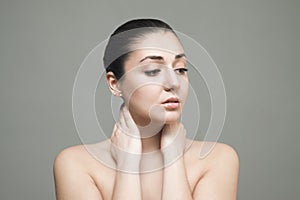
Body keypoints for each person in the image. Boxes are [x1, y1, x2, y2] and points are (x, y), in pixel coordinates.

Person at [53, 18, 239, 200]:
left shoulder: (217, 159)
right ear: (115, 83)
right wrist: (128, 164)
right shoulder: (76, 164)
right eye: (152, 71)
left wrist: (173, 159)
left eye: (180, 69)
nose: (174, 83)